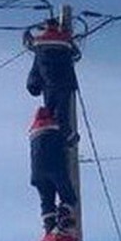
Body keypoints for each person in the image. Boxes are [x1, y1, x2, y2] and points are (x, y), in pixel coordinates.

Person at [26, 17, 79, 146]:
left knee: (50, 110)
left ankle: (56, 133)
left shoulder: (39, 42)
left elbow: (36, 67)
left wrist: (33, 85)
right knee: (62, 112)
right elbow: (76, 54)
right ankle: (67, 136)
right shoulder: (66, 39)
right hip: (64, 81)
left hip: (48, 83)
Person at [28, 106, 78, 232]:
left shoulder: (33, 132)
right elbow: (69, 138)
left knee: (47, 200)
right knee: (68, 196)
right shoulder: (55, 126)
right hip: (55, 167)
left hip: (37, 174)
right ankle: (64, 216)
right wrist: (73, 138)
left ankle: (49, 223)